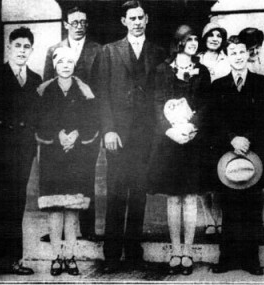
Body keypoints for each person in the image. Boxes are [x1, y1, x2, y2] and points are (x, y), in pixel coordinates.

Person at [98, 0, 165, 273]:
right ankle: (112, 255)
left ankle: (134, 252)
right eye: (131, 18)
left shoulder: (158, 52)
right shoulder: (109, 51)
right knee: (115, 194)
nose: (137, 22)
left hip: (145, 135)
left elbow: (162, 94)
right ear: (124, 21)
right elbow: (102, 94)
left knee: (139, 194)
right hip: (118, 134)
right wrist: (108, 129)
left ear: (146, 19)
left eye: (140, 17)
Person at [147, 24, 211, 275]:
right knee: (174, 197)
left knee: (191, 197)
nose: (194, 43)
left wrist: (193, 127)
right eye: (189, 39)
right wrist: (171, 130)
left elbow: (206, 104)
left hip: (193, 141)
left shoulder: (201, 72)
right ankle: (175, 250)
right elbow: (156, 104)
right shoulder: (162, 70)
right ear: (179, 42)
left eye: (196, 39)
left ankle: (188, 251)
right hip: (170, 141)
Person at [211, 35, 264, 275]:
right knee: (229, 204)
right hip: (227, 153)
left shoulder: (261, 83)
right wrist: (232, 139)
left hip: (254, 152)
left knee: (251, 204)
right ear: (227, 57)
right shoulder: (218, 85)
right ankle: (227, 257)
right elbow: (214, 119)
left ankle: (251, 259)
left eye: (241, 52)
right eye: (233, 53)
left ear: (247, 54)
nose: (238, 56)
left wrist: (247, 139)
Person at [0, 27, 41, 281]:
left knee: (16, 203)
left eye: (26, 47)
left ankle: (13, 260)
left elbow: (38, 117)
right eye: (18, 46)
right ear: (9, 47)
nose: (22, 51)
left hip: (22, 152)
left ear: (31, 50)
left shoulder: (36, 80)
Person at [41, 5, 101, 242]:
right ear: (66, 24)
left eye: (83, 22)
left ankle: (86, 229)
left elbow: (100, 89)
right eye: (74, 22)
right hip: (59, 127)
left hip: (85, 124)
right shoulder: (53, 50)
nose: (79, 26)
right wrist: (57, 131)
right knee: (58, 175)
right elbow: (47, 90)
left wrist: (87, 126)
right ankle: (57, 230)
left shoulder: (98, 50)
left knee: (85, 173)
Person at [37, 47, 98, 276]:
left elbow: (92, 120)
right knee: (55, 208)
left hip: (76, 155)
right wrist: (57, 135)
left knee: (72, 208)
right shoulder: (44, 90)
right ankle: (56, 257)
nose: (65, 65)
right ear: (55, 65)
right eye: (60, 61)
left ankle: (70, 256)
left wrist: (76, 135)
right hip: (53, 155)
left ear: (74, 65)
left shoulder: (85, 90)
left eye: (69, 62)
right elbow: (38, 119)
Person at [198, 22, 230, 236]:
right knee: (202, 173)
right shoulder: (196, 59)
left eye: (219, 35)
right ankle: (208, 218)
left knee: (220, 172)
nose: (215, 38)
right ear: (205, 37)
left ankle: (219, 218)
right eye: (211, 34)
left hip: (219, 120)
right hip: (200, 121)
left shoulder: (227, 60)